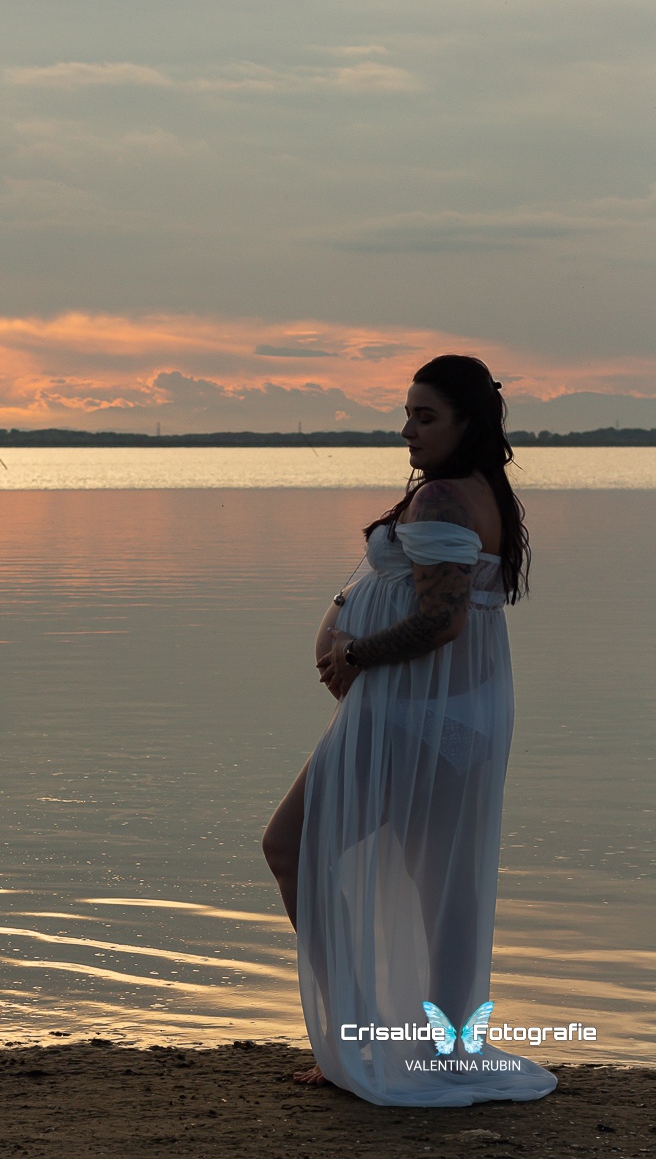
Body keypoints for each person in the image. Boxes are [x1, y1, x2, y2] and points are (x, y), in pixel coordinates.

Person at [262, 355, 557, 1107]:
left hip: (415, 716)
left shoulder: (444, 502)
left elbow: (443, 619)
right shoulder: (482, 491)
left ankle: (354, 1042)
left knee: (291, 848)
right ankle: (446, 1045)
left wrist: (353, 650)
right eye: (407, 415)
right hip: (464, 714)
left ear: (467, 422)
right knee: (439, 884)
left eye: (425, 416)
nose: (408, 431)